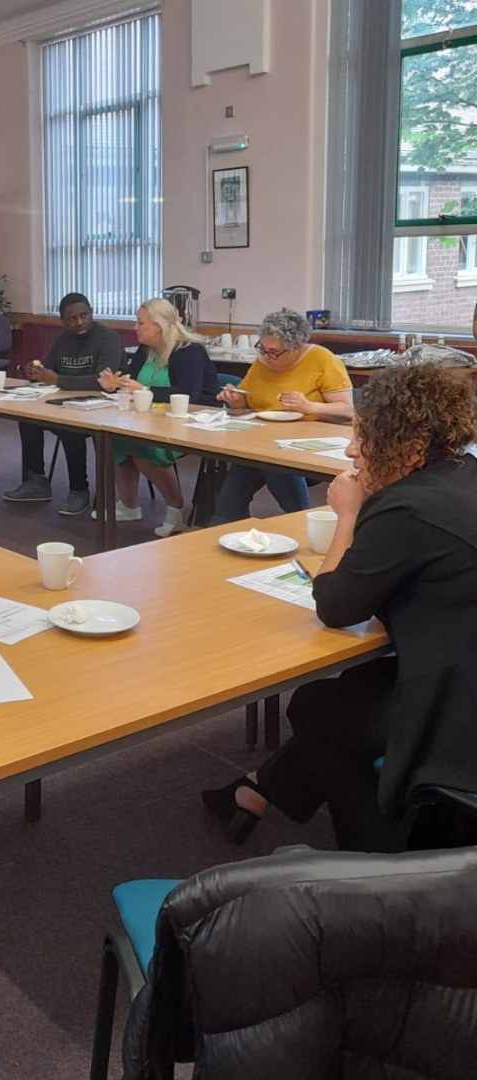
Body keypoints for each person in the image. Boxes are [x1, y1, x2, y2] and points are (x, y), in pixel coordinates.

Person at [202, 364, 477, 852]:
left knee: (316, 708)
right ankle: (260, 789)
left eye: (364, 438)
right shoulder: (463, 477)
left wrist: (347, 512)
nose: (351, 451)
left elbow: (335, 607)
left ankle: (374, 861)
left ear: (411, 449)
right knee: (356, 686)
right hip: (458, 665)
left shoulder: (404, 506)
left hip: (458, 710)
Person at [210, 308, 353, 524]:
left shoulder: (322, 360)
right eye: (263, 348)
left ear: (295, 348)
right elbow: (247, 398)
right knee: (246, 469)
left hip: (307, 446)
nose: (267, 356)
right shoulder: (263, 362)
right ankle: (221, 527)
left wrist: (309, 406)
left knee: (273, 465)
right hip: (263, 441)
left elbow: (347, 410)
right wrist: (234, 397)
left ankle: (301, 521)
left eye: (274, 352)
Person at [97, 298, 220, 537]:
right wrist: (115, 384)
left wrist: (142, 390)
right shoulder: (146, 349)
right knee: (115, 438)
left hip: (194, 418)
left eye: (140, 323)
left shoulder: (188, 351)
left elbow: (188, 395)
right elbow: (132, 381)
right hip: (155, 415)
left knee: (145, 443)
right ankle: (129, 505)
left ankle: (177, 508)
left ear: (159, 326)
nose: (135, 328)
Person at [3, 292, 123, 516]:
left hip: (104, 407)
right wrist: (35, 371)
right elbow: (48, 368)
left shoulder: (109, 339)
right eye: (72, 319)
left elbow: (103, 381)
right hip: (67, 401)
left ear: (92, 312)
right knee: (28, 418)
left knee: (70, 427)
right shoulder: (62, 341)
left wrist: (57, 379)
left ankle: (79, 490)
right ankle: (36, 481)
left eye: (84, 315)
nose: (79, 322)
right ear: (63, 321)